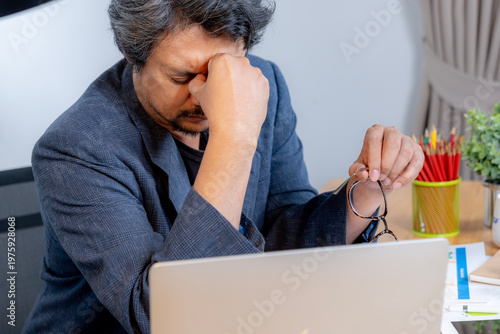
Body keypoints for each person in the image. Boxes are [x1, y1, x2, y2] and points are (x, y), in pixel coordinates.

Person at [23, 0, 424, 333]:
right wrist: (234, 139)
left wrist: (372, 187)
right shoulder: (74, 149)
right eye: (183, 75)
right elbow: (163, 315)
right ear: (131, 53)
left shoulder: (264, 82)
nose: (206, 94)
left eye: (224, 70)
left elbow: (284, 243)